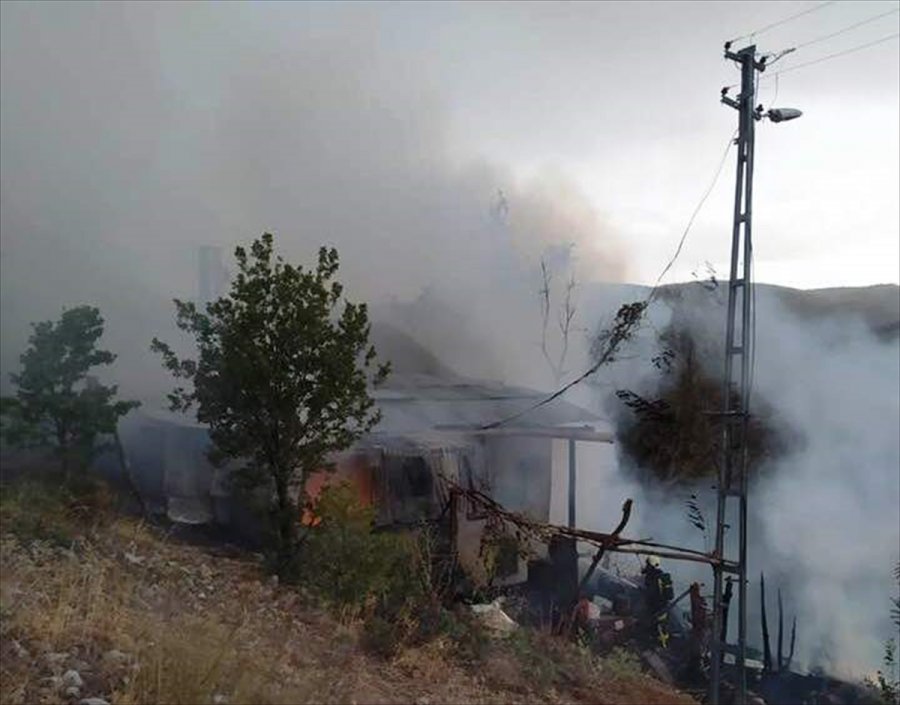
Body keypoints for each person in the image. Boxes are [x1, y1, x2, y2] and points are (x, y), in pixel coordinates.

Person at [641, 555, 673, 648]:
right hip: (653, 608)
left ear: (652, 566)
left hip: (659, 608)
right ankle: (655, 644)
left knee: (660, 630)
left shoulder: (659, 578)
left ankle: (663, 647)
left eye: (648, 565)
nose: (646, 567)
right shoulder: (651, 577)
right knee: (653, 628)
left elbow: (667, 595)